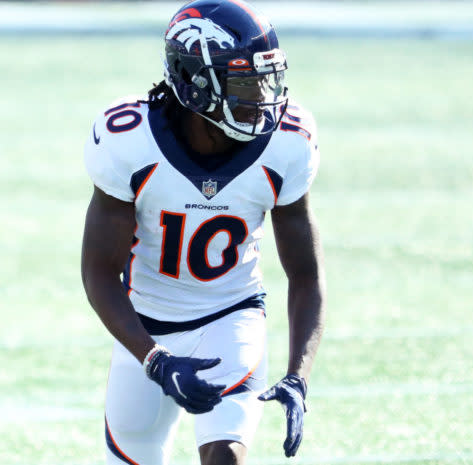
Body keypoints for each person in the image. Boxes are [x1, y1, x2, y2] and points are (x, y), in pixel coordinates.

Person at [80, 1, 325, 464]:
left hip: (232, 315)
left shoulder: (289, 142)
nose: (262, 97)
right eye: (246, 83)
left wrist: (299, 375)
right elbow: (97, 272)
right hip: (144, 323)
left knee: (225, 457)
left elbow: (306, 274)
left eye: (266, 80)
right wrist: (155, 359)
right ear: (194, 81)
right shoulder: (129, 141)